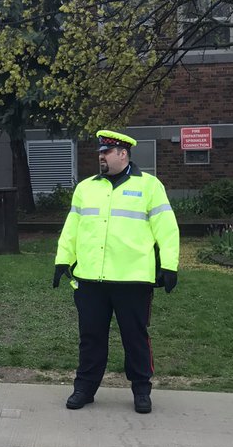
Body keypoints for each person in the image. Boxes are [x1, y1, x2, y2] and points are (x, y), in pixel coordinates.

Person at [53, 130, 179, 414]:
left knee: (135, 337)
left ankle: (141, 390)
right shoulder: (86, 188)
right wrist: (63, 260)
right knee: (91, 336)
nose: (101, 157)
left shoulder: (149, 186)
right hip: (90, 279)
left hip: (132, 279)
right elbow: (72, 227)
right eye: (100, 152)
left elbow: (167, 228)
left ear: (123, 154)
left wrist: (169, 265)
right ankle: (84, 388)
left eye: (106, 152)